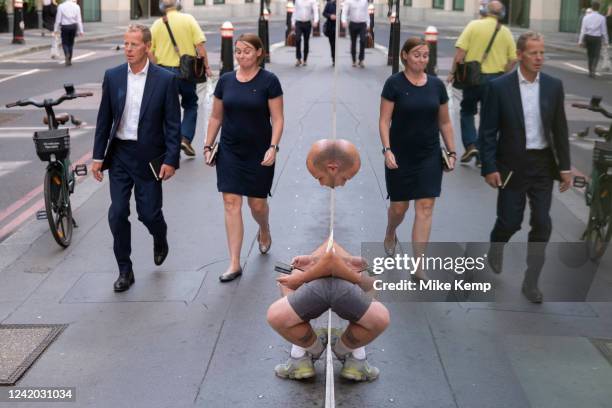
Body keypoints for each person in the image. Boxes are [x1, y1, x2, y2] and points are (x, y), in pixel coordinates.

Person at [479, 32, 572, 303]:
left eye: (542, 52)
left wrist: (565, 167)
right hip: (511, 165)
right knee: (510, 221)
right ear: (520, 55)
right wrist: (489, 167)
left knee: (543, 223)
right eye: (534, 53)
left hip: (542, 164)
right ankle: (498, 243)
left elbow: (560, 129)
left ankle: (531, 282)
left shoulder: (554, 86)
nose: (539, 57)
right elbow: (487, 132)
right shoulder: (499, 87)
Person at [91, 25, 181, 293]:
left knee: (149, 213)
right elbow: (104, 119)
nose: (128, 49)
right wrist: (98, 157)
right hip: (119, 154)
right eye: (125, 44)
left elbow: (173, 124)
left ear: (147, 47)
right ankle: (125, 270)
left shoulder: (165, 79)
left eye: (133, 44)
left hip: (149, 157)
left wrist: (171, 160)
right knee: (117, 213)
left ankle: (160, 236)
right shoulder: (114, 76)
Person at [203, 34, 284, 283]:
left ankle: (264, 228)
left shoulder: (269, 81)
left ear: (259, 53)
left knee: (257, 205)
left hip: (259, 151)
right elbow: (216, 117)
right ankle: (235, 263)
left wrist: (273, 147)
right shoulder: (226, 81)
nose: (241, 56)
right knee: (230, 202)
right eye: (238, 51)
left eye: (247, 51)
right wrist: (208, 145)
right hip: (230, 151)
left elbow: (278, 119)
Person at [379, 37, 456, 280]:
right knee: (399, 208)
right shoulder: (393, 84)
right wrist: (387, 150)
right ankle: (391, 231)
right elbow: (384, 121)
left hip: (429, 155)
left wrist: (452, 151)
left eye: (425, 55)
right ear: (404, 56)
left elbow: (444, 121)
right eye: (417, 55)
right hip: (400, 155)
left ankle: (418, 265)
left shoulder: (436, 86)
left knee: (425, 207)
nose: (422, 59)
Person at [267, 238, 389, 381]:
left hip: (326, 284)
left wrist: (302, 276)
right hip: (337, 285)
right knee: (373, 274)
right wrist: (315, 260)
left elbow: (330, 262)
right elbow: (330, 257)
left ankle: (301, 354)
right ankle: (355, 356)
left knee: (287, 273)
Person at [449, 0, 516, 165]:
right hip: (497, 79)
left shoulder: (473, 26)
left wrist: (452, 73)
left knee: (467, 111)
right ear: (502, 14)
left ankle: (471, 144)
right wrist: (504, 74)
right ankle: (483, 154)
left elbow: (460, 54)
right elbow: (513, 59)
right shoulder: (506, 32)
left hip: (473, 78)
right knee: (489, 117)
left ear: (485, 10)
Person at [149, 0, 212, 157]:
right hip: (186, 72)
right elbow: (200, 47)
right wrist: (207, 67)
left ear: (162, 8)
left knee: (166, 109)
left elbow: (149, 51)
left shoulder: (156, 25)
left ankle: (166, 145)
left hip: (163, 72)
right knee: (190, 104)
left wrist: (156, 66)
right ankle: (185, 138)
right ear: (178, 5)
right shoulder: (188, 19)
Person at [579, 1, 609, 78]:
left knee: (590, 55)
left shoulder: (586, 17)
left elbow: (583, 30)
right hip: (597, 38)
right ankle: (593, 69)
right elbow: (604, 31)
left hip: (588, 37)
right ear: (599, 8)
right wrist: (606, 41)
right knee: (596, 55)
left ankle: (590, 70)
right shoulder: (602, 18)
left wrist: (580, 41)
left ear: (592, 7)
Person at [53, 0, 84, 67]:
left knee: (64, 43)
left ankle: (67, 54)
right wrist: (81, 31)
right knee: (71, 43)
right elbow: (79, 20)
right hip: (73, 26)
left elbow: (58, 20)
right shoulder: (76, 6)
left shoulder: (61, 6)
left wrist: (55, 29)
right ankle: (69, 59)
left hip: (65, 27)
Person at [341, 0, 369, 68]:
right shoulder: (348, 1)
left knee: (363, 40)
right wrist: (344, 21)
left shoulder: (364, 1)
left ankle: (361, 60)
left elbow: (366, 13)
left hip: (362, 24)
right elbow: (344, 12)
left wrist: (368, 24)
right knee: (353, 42)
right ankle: (354, 60)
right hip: (353, 24)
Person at [291, 0, 319, 67]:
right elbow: (295, 11)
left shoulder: (312, 1)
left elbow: (315, 11)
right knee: (297, 39)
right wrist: (292, 22)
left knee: (306, 41)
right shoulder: (298, 1)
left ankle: (305, 60)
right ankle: (298, 58)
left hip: (307, 23)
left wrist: (316, 21)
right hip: (298, 22)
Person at [322, 0, 337, 66]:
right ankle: (334, 59)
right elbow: (324, 13)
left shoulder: (343, 5)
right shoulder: (329, 4)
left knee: (336, 45)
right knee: (332, 44)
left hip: (339, 28)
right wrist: (330, 16)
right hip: (331, 27)